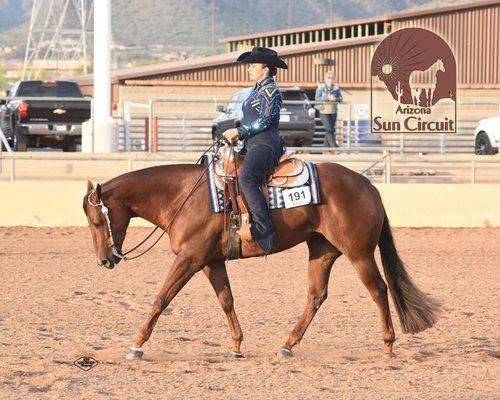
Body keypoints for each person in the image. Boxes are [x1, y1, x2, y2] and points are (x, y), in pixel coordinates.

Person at [223, 47, 287, 255]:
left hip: (265, 143)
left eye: (253, 65)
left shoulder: (271, 91)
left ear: (266, 69)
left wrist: (240, 131)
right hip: (252, 143)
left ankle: (263, 228)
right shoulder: (257, 90)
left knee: (247, 178)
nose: (249, 69)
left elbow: (265, 120)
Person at [315, 71, 343, 147]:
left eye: (332, 78)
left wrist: (335, 98)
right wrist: (326, 97)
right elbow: (317, 99)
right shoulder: (320, 87)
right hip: (323, 111)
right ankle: (335, 147)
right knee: (329, 129)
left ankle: (325, 148)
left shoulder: (336, 88)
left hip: (333, 111)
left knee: (330, 130)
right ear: (325, 79)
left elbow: (341, 98)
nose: (330, 79)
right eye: (329, 77)